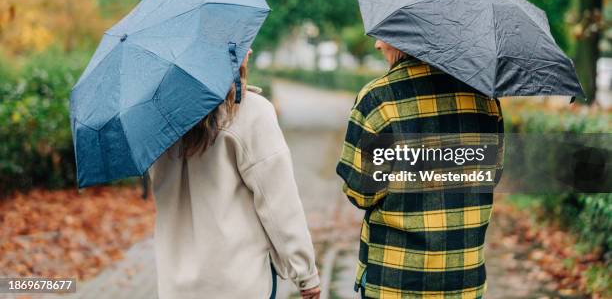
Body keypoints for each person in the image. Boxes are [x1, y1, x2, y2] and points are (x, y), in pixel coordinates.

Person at [337, 40, 504, 299]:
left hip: (396, 280)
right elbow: (491, 175)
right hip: (464, 278)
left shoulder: (378, 99)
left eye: (383, 36)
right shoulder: (485, 99)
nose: (378, 45)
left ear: (403, 39)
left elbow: (361, 193)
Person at [150, 49, 321, 299]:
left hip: (175, 287)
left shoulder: (157, 120)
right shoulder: (250, 113)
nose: (249, 50)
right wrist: (305, 274)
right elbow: (279, 205)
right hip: (237, 283)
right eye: (239, 44)